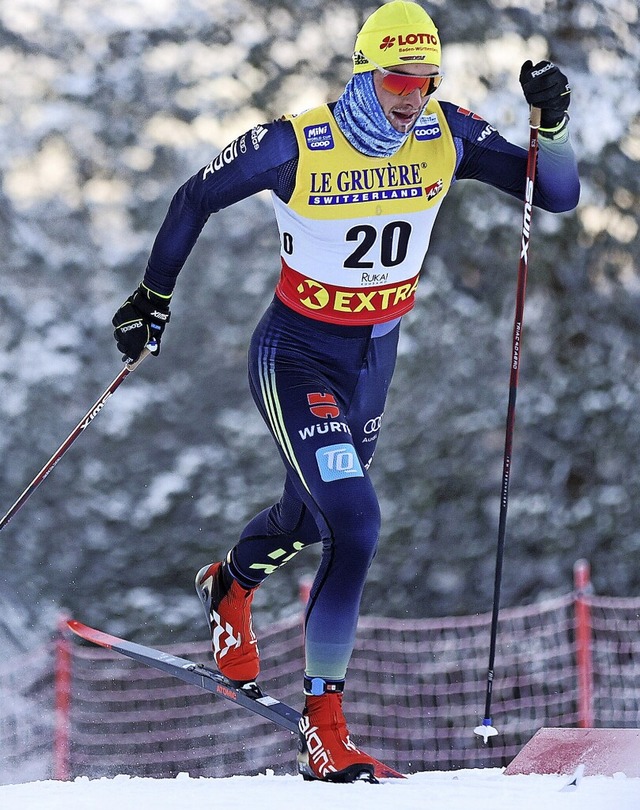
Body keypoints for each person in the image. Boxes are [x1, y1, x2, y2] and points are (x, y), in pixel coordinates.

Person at [112, 0, 579, 783]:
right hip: (296, 354)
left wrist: (553, 121)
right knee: (356, 522)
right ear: (365, 70)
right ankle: (324, 729)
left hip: (373, 361)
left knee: (311, 516)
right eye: (398, 78)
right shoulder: (296, 143)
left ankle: (230, 584)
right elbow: (195, 195)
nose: (411, 96)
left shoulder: (447, 132)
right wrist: (151, 298)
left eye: (425, 79)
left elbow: (554, 194)